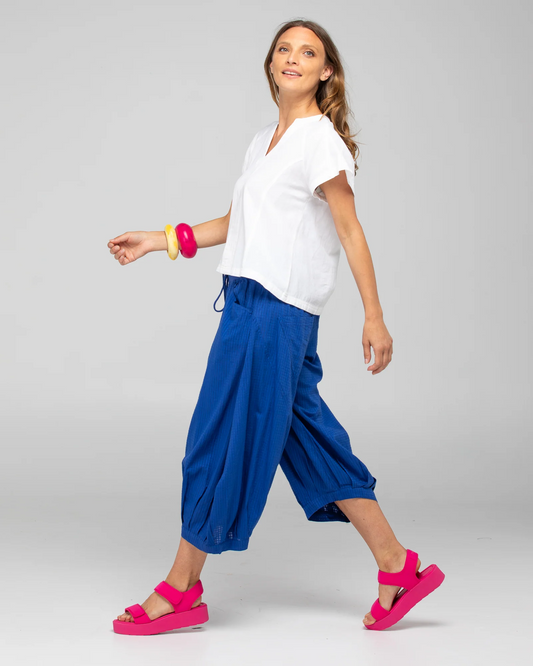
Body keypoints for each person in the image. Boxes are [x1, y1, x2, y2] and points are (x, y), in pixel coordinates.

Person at [108, 19, 444, 636]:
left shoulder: (320, 142)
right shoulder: (264, 140)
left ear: (325, 71)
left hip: (274, 315)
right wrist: (158, 240)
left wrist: (373, 315)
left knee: (216, 437)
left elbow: (350, 230)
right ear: (271, 64)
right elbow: (235, 223)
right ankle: (399, 566)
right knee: (310, 440)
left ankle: (181, 587)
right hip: (248, 306)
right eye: (284, 49)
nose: (293, 58)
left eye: (308, 52)